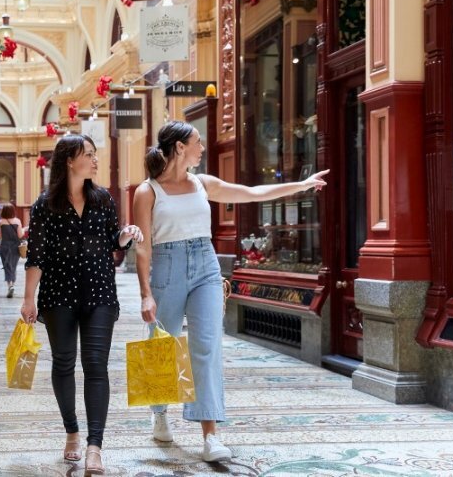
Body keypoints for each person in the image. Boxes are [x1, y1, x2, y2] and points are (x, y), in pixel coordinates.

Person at [133, 121, 328, 462]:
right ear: (180, 147)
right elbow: (143, 248)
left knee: (206, 345)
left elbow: (251, 192)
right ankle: (159, 411)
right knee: (159, 342)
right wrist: (145, 293)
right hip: (167, 265)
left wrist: (302, 185)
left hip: (206, 266)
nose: (202, 148)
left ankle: (210, 436)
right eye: (197, 142)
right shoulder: (148, 192)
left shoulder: (203, 184)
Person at [20, 134, 143, 475]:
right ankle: (72, 431)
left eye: (94, 153)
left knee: (96, 366)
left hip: (100, 292)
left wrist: (126, 234)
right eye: (88, 154)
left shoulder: (103, 199)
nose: (94, 159)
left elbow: (112, 243)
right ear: (69, 161)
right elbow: (37, 256)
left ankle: (94, 446)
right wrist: (28, 298)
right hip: (58, 295)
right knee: (63, 363)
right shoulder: (45, 205)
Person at [0, 203, 24, 298]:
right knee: (13, 266)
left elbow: (0, 236)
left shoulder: (1, 222)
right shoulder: (17, 221)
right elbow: (20, 235)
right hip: (15, 247)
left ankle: (10, 285)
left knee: (7, 266)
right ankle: (12, 285)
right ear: (13, 211)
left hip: (4, 246)